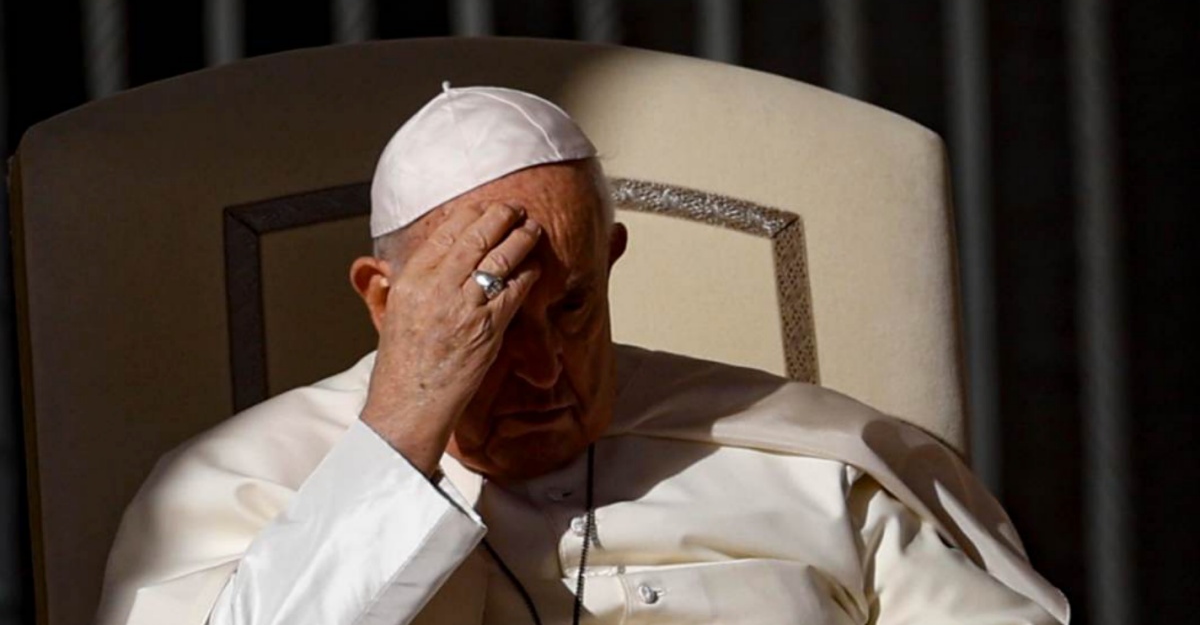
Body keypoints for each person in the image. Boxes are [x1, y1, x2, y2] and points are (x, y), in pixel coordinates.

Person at [96, 85, 1069, 625]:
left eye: (566, 311)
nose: (542, 374)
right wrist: (400, 429)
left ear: (609, 262)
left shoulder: (805, 460)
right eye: (484, 325)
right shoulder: (228, 492)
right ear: (384, 303)